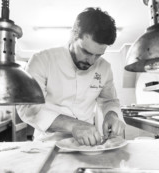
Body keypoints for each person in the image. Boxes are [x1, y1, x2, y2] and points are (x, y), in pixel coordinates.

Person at [16, 7, 126, 146]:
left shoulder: (104, 68)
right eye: (86, 51)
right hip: (48, 143)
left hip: (87, 144)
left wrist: (112, 115)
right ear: (74, 35)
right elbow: (27, 108)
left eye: (98, 55)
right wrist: (73, 125)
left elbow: (109, 100)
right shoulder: (42, 60)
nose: (91, 61)